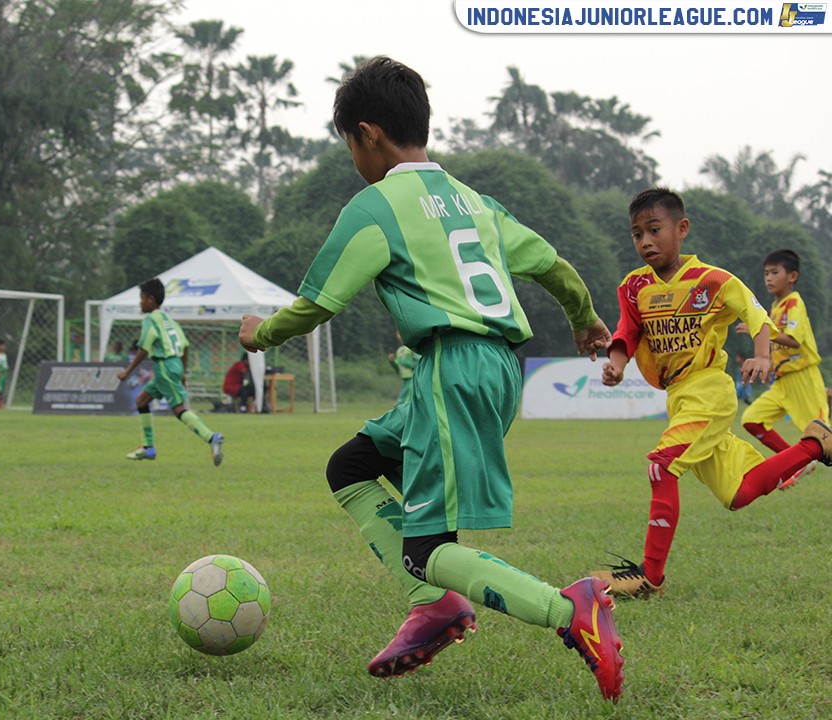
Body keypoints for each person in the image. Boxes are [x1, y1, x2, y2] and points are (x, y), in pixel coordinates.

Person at [238, 57, 625, 702]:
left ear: (367, 134)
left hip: (454, 368)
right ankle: (435, 606)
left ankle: (572, 609)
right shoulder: (476, 202)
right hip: (486, 368)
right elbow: (555, 267)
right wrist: (586, 321)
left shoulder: (375, 206)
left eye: (348, 147)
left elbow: (315, 308)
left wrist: (260, 334)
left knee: (427, 545)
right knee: (352, 466)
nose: (352, 160)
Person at [589, 188, 832, 599]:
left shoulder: (713, 280)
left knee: (662, 467)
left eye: (654, 229)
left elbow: (755, 313)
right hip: (680, 396)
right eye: (636, 234)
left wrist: (762, 355)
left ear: (681, 229)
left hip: (709, 391)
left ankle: (650, 578)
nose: (645, 241)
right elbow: (627, 331)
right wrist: (616, 363)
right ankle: (815, 443)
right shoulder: (633, 286)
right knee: (737, 493)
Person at [737, 248, 827, 487]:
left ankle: (801, 462)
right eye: (766, 273)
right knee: (751, 419)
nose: (768, 278)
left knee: (823, 438)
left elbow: (794, 340)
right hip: (781, 382)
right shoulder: (775, 308)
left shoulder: (794, 303)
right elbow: (776, 343)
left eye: (775, 272)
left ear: (792, 277)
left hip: (802, 379)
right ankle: (798, 463)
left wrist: (764, 330)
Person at [117, 278, 225, 466]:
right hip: (173, 365)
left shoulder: (150, 319)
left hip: (165, 366)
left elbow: (143, 348)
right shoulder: (169, 320)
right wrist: (183, 372)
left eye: (141, 298)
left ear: (150, 299)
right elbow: (186, 345)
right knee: (141, 400)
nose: (140, 303)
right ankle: (148, 448)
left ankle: (211, 437)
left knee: (179, 410)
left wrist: (127, 371)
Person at [387, 331, 419, 406]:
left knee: (404, 401)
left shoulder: (413, 348)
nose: (399, 335)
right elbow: (398, 367)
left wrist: (407, 362)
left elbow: (420, 363)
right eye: (398, 333)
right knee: (405, 400)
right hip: (405, 378)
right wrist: (392, 362)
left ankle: (399, 415)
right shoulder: (399, 350)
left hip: (412, 378)